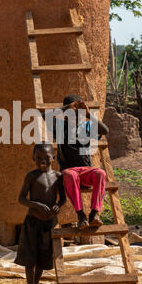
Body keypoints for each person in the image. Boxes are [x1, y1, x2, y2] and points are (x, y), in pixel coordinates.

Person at [45, 94, 109, 229]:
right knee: (70, 175)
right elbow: (45, 117)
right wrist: (66, 107)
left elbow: (105, 130)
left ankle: (94, 214)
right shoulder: (60, 127)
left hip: (86, 171)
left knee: (101, 173)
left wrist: (89, 114)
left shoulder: (86, 126)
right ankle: (81, 215)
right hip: (69, 171)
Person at [15, 142, 66, 284]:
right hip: (33, 221)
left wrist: (58, 206)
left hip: (49, 223)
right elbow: (21, 198)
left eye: (46, 158)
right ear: (33, 158)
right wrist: (36, 205)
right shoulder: (31, 176)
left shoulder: (58, 177)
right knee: (30, 257)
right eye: (38, 158)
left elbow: (63, 198)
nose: (42, 161)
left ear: (53, 158)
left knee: (43, 257)